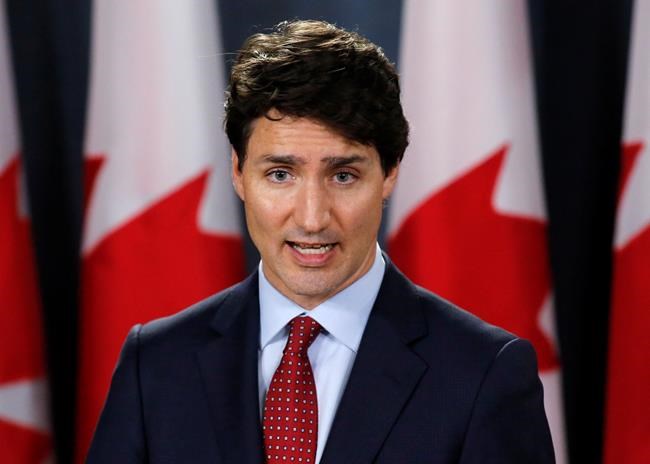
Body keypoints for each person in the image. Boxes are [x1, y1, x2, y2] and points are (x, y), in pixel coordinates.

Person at [86, 20, 555, 464]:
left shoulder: (484, 373)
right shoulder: (156, 364)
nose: (312, 218)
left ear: (390, 173)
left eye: (343, 175)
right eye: (280, 174)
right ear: (238, 172)